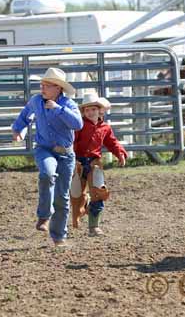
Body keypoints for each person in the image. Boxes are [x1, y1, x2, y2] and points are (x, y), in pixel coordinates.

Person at [12, 67, 83, 247]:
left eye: (47, 85)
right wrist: (18, 129)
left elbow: (78, 124)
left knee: (62, 196)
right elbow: (24, 116)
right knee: (47, 174)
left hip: (66, 154)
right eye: (42, 85)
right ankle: (44, 215)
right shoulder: (36, 101)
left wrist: (58, 109)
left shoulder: (68, 104)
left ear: (58, 88)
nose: (42, 89)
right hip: (45, 149)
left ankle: (58, 236)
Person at [70, 92, 127, 236]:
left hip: (95, 162)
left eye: (93, 109)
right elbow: (73, 142)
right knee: (76, 193)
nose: (90, 112)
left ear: (99, 110)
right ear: (83, 112)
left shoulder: (105, 128)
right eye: (87, 110)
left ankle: (94, 226)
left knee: (99, 191)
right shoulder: (79, 126)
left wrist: (120, 153)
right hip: (78, 162)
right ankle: (83, 206)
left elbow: (112, 142)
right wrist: (71, 158)